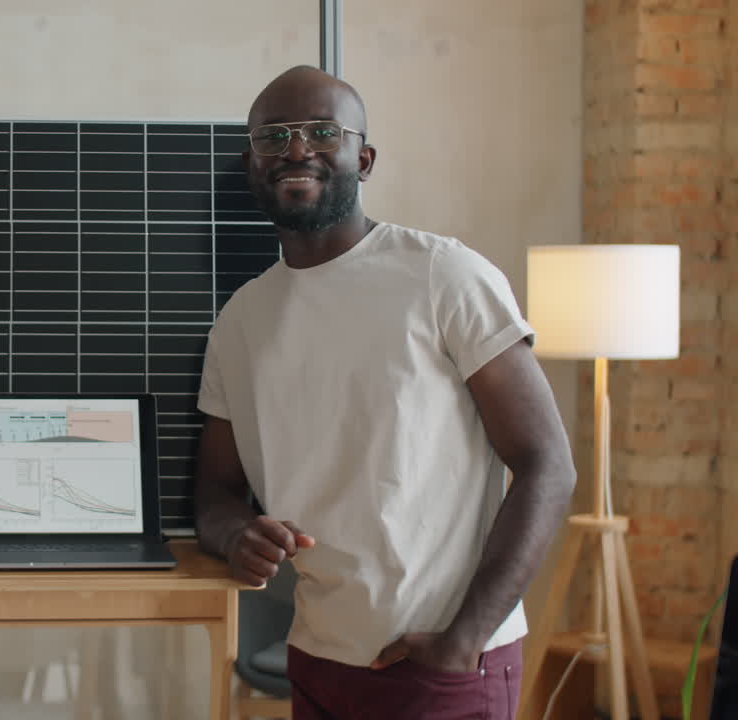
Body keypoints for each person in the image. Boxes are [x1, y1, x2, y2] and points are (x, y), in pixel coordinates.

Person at [194, 65, 577, 719]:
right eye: (273, 136)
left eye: (323, 132)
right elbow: (216, 492)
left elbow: (548, 464)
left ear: (363, 160)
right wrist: (236, 537)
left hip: (436, 661)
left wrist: (463, 642)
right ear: (252, 164)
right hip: (315, 656)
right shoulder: (241, 321)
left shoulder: (443, 276)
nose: (295, 148)